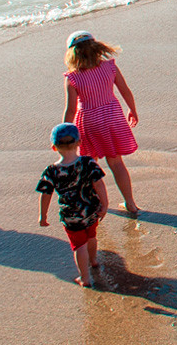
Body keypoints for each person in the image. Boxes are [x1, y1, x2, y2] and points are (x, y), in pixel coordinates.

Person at [62, 31, 140, 216]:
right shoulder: (110, 67)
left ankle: (96, 203)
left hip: (89, 122)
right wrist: (132, 110)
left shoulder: (72, 77)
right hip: (113, 118)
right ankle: (131, 203)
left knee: (90, 165)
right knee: (116, 162)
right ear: (97, 48)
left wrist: (64, 134)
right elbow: (125, 91)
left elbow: (71, 110)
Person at [38, 123, 108, 287]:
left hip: (71, 216)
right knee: (91, 236)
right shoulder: (88, 163)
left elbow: (46, 194)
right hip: (91, 210)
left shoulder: (51, 171)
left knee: (79, 246)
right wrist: (105, 204)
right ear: (79, 143)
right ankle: (94, 260)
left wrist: (43, 215)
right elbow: (99, 184)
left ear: (54, 147)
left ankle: (85, 278)